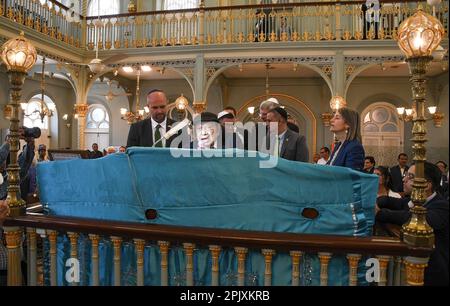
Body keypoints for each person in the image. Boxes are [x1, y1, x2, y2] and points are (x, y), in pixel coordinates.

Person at [376, 162, 449, 286]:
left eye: (410, 177)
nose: (404, 180)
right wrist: (376, 200)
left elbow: (416, 219)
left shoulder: (441, 206)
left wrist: (379, 213)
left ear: (426, 185)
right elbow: (392, 201)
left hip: (433, 273)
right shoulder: (413, 200)